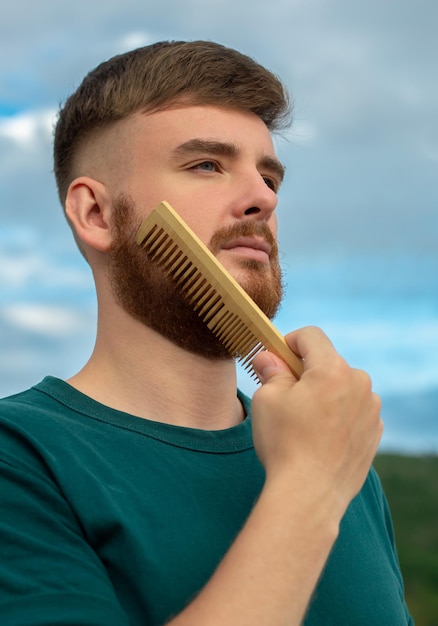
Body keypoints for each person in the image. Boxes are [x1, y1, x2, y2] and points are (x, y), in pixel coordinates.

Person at [0, 40, 413, 625]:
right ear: (95, 213)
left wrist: (325, 472)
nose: (261, 199)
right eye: (206, 165)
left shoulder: (345, 466)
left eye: (269, 177)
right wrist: (309, 490)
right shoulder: (20, 458)